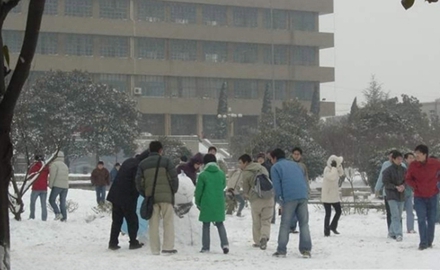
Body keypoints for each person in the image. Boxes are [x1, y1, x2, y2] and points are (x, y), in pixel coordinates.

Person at [136, 141, 179, 255]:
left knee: (153, 224)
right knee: (168, 222)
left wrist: (145, 194)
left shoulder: (142, 164)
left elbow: (139, 182)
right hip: (166, 197)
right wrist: (172, 191)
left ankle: (155, 249)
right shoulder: (166, 162)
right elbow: (174, 178)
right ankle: (167, 247)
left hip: (151, 198)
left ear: (149, 151)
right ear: (160, 150)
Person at [270, 148, 312, 258]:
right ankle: (306, 250)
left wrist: (280, 202)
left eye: (271, 159)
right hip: (302, 195)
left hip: (289, 197)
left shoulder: (275, 167)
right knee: (304, 223)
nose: (271, 161)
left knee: (285, 224)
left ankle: (281, 250)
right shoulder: (296, 165)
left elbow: (277, 187)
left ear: (274, 158)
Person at [107, 151, 149, 250]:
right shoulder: (138, 166)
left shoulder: (129, 161)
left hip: (115, 194)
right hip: (127, 196)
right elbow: (137, 182)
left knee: (117, 220)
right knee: (132, 220)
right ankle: (133, 242)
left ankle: (112, 242)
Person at [406, 144, 440, 250]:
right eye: (415, 153)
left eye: (419, 154)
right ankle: (423, 242)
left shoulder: (435, 163)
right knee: (421, 219)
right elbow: (408, 178)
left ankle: (429, 240)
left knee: (431, 219)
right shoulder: (413, 165)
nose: (416, 156)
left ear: (425, 154)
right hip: (419, 196)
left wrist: (437, 183)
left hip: (433, 195)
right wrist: (415, 186)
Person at [195, 154, 229, 254]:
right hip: (219, 202)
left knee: (206, 225)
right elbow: (224, 185)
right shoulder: (221, 173)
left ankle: (205, 247)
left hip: (206, 202)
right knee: (220, 223)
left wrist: (198, 202)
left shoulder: (203, 175)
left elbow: (199, 191)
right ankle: (225, 244)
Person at [240, 154, 274, 250]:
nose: (239, 165)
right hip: (269, 197)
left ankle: (258, 241)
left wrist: (247, 195)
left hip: (256, 199)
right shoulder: (262, 168)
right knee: (266, 220)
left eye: (240, 163)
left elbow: (246, 189)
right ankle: (264, 236)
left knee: (256, 221)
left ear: (246, 162)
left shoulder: (246, 173)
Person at [382, 151, 406, 242]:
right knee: (395, 214)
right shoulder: (387, 171)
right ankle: (398, 234)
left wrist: (403, 186)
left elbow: (407, 180)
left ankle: (391, 232)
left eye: (401, 159)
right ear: (393, 159)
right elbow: (386, 183)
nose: (400, 161)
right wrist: (395, 187)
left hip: (401, 195)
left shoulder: (404, 170)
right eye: (398, 159)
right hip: (391, 195)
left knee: (398, 215)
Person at [375, 150, 399, 231]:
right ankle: (391, 230)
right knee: (389, 212)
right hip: (388, 192)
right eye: (390, 156)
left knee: (397, 213)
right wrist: (377, 188)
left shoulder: (401, 165)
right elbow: (381, 177)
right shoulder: (386, 164)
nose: (391, 158)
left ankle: (397, 229)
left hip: (399, 192)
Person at [321, 155, 344, 237]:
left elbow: (341, 173)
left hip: (334, 195)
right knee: (328, 213)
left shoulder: (335, 169)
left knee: (338, 211)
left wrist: (339, 166)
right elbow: (332, 177)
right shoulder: (327, 169)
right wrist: (334, 168)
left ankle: (333, 226)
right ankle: (326, 230)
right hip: (327, 195)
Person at [290, 147, 310, 233]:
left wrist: (307, 189)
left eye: (298, 154)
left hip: (301, 190)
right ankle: (291, 226)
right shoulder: (289, 165)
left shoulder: (303, 166)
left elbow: (305, 178)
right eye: (295, 154)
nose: (296, 156)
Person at [48, 151, 69, 222]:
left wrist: (50, 185)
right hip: (65, 187)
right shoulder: (65, 165)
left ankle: (57, 213)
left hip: (57, 185)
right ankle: (64, 217)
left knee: (51, 200)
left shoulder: (54, 165)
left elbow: (52, 176)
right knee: (62, 202)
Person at [28, 155, 49, 221]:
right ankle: (44, 218)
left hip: (36, 188)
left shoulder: (34, 167)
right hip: (44, 188)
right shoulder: (45, 167)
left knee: (32, 203)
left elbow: (30, 176)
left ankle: (32, 216)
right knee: (43, 204)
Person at [403, 153, 416, 233]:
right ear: (406, 159)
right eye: (410, 158)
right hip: (401, 192)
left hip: (409, 193)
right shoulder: (403, 168)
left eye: (412, 158)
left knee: (410, 211)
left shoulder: (416, 168)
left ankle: (410, 228)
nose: (411, 159)